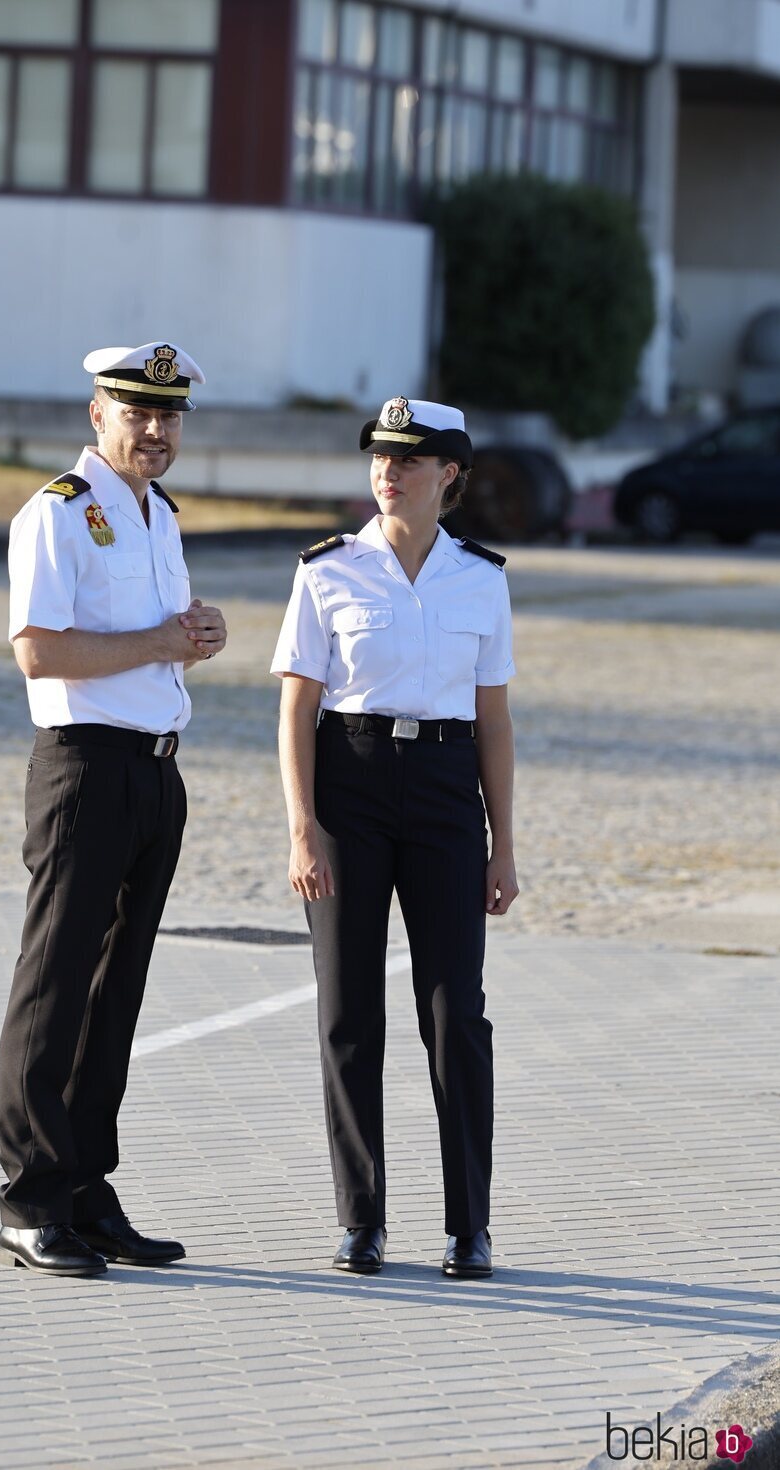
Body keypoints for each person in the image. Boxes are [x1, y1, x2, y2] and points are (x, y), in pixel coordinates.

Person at [271, 397, 518, 1278]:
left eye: (409, 460)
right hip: (351, 788)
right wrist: (303, 831)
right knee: (349, 1014)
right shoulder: (327, 571)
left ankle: (469, 1227)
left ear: (449, 473)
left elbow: (493, 720)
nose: (388, 471)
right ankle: (362, 1219)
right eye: (379, 456)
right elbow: (296, 711)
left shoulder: (482, 579)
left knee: (456, 1015)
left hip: (449, 794)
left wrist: (505, 843)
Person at [0, 342, 227, 1277]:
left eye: (170, 414)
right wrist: (159, 640)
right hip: (84, 770)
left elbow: (152, 640)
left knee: (113, 993)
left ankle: (86, 1189)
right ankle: (29, 1199)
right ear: (98, 414)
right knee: (56, 988)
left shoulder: (156, 515)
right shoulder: (59, 514)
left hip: (153, 773)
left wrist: (194, 638)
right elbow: (40, 652)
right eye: (139, 411)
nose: (157, 429)